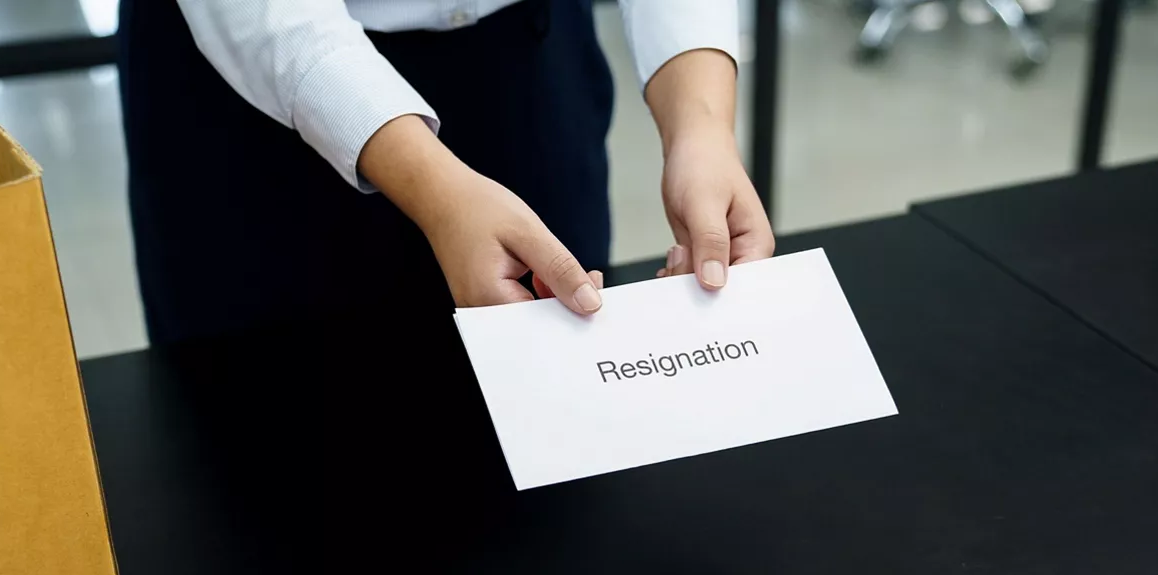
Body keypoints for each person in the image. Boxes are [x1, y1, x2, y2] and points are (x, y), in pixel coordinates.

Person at [118, 0, 774, 345]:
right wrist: (435, 189)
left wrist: (700, 120)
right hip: (252, 107)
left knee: (553, 469)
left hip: (525, 62)